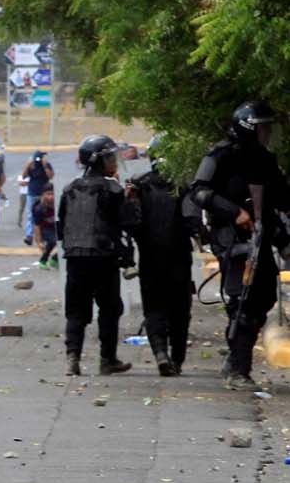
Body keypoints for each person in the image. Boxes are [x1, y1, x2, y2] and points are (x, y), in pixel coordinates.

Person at [188, 101, 290, 389]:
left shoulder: (265, 160)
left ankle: (235, 357)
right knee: (241, 301)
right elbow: (199, 192)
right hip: (232, 239)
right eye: (263, 127)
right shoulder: (220, 156)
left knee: (264, 298)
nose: (268, 133)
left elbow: (281, 199)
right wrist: (235, 212)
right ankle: (239, 370)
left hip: (262, 236)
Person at [59, 134, 140, 377]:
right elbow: (128, 224)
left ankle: (72, 358)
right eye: (109, 157)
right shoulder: (113, 190)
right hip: (103, 257)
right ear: (98, 161)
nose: (113, 162)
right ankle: (107, 359)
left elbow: (62, 225)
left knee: (76, 310)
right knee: (110, 308)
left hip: (75, 258)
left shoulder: (69, 189)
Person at [132, 137, 195, 376]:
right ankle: (177, 359)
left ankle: (160, 353)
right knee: (180, 309)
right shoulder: (183, 185)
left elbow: (132, 222)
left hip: (149, 258)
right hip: (179, 257)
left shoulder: (139, 185)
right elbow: (192, 220)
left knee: (154, 307)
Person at [21, 152, 54, 245]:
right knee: (31, 215)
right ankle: (29, 236)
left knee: (44, 215)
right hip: (32, 193)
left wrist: (45, 165)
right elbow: (23, 176)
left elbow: (51, 176)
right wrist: (28, 165)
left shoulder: (47, 165)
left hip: (44, 194)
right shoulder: (31, 165)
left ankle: (43, 236)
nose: (38, 160)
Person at [33, 187, 58, 269]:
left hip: (56, 228)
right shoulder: (40, 209)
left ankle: (55, 259)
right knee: (53, 241)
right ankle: (43, 261)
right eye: (48, 194)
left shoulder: (58, 205)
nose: (51, 197)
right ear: (43, 195)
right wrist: (39, 241)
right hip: (45, 229)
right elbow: (37, 226)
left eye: (53, 194)